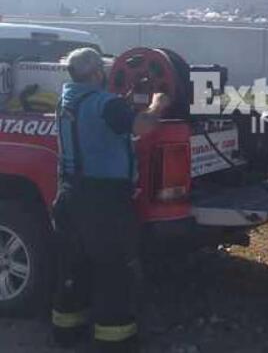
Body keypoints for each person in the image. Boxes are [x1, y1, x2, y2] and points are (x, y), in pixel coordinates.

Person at [51, 47, 169, 352]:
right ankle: (115, 340)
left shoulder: (66, 99)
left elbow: (101, 123)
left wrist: (123, 105)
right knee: (113, 269)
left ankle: (66, 331)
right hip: (102, 200)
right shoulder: (106, 103)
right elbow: (142, 127)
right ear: (96, 73)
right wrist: (157, 104)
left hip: (68, 194)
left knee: (73, 265)